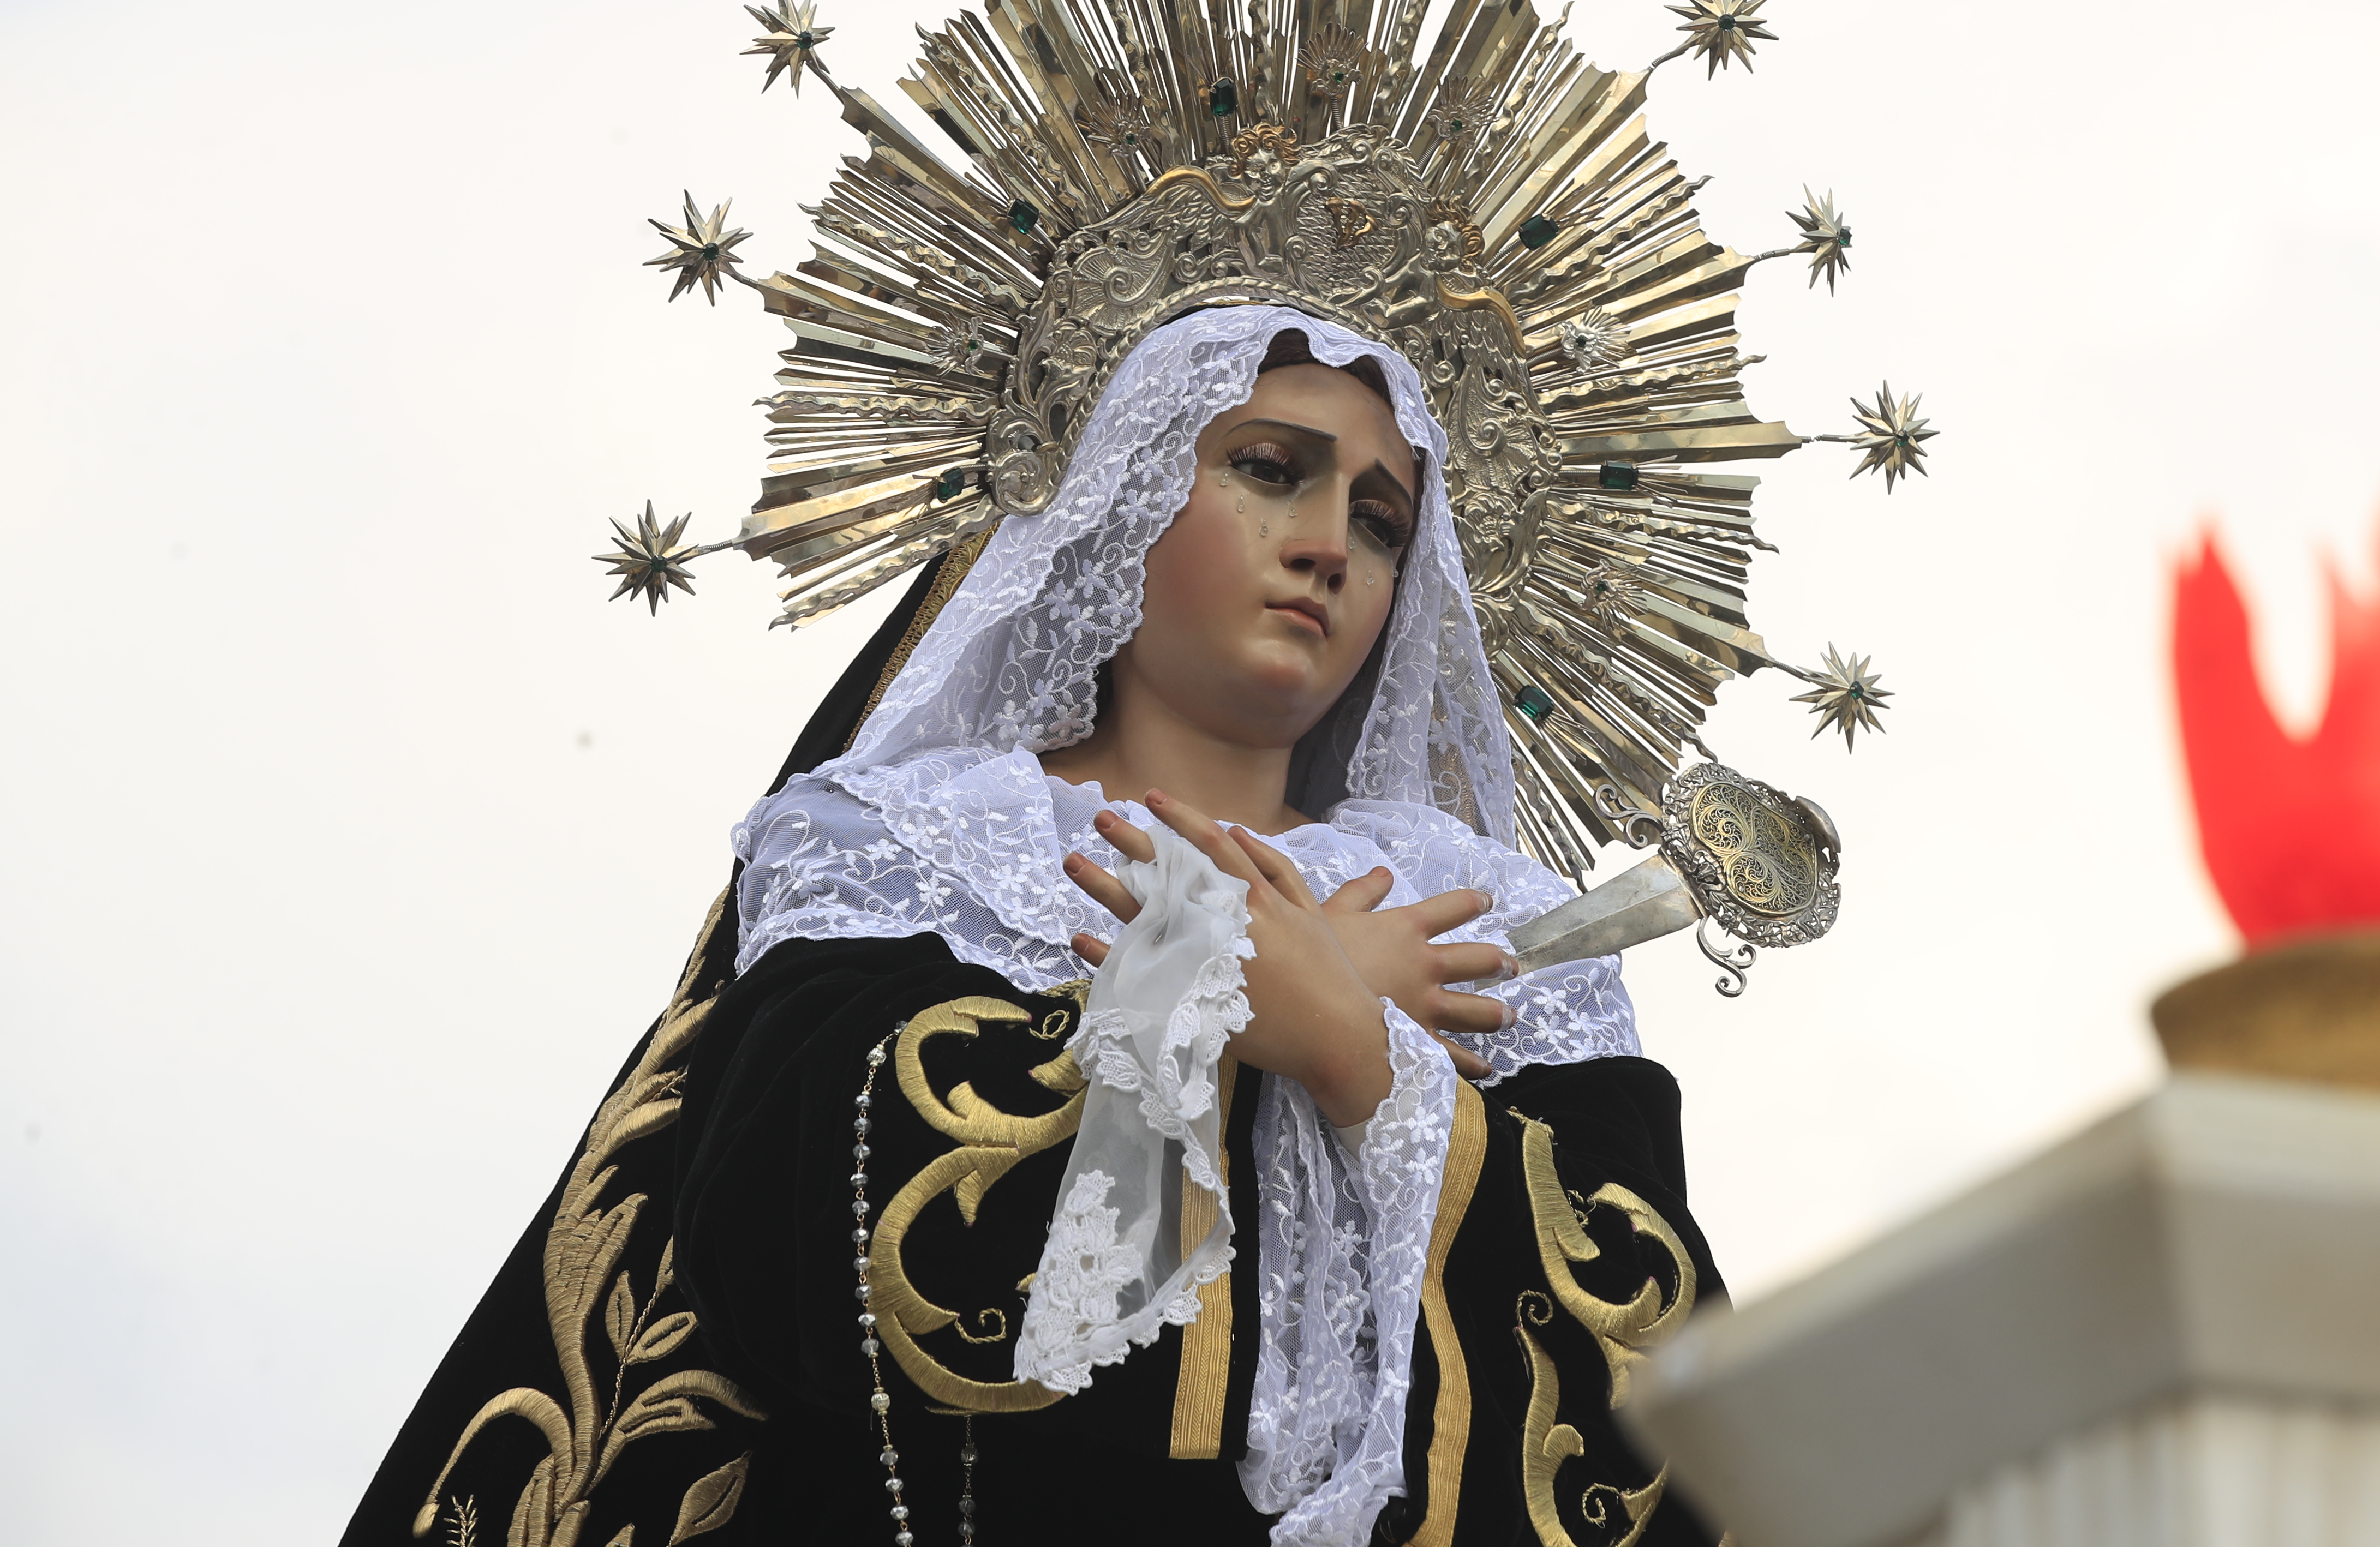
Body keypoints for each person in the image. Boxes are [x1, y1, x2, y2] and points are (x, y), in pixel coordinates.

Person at [344, 304, 1721, 1547]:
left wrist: (1361, 1063)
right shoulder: (917, 843)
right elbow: (794, 1230)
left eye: (1380, 522)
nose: (1325, 547)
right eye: (1267, 469)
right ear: (1125, 496)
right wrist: (1209, 981)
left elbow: (1656, 1388)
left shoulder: (1491, 921)